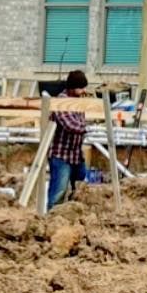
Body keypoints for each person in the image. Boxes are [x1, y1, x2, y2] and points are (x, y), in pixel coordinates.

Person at [47, 70, 89, 210]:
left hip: (76, 156)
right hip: (61, 156)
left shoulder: (78, 103)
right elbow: (71, 125)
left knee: (81, 190)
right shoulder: (61, 102)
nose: (84, 91)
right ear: (72, 87)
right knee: (58, 193)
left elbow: (81, 123)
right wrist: (90, 128)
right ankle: (51, 220)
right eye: (81, 87)